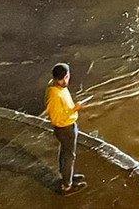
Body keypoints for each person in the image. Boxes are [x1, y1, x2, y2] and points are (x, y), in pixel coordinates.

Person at [46, 63, 87, 195]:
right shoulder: (55, 95)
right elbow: (56, 118)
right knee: (69, 155)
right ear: (65, 76)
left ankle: (66, 175)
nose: (66, 80)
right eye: (65, 78)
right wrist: (75, 109)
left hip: (66, 127)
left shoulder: (58, 88)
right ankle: (67, 185)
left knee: (65, 152)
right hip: (65, 128)